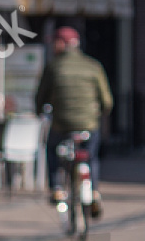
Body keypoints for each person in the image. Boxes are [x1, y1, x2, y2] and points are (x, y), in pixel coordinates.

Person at [35, 26, 113, 217]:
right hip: (88, 125)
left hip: (62, 124)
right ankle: (94, 192)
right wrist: (99, 114)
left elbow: (40, 97)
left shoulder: (54, 67)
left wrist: (40, 111)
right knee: (90, 156)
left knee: (52, 148)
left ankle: (56, 188)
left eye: (55, 42)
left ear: (61, 44)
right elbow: (107, 102)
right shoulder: (93, 66)